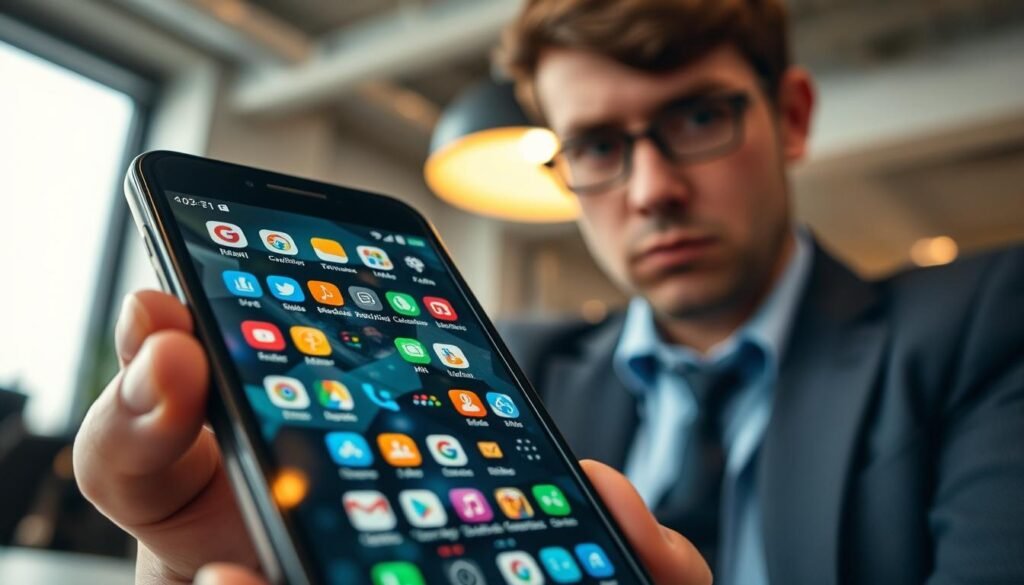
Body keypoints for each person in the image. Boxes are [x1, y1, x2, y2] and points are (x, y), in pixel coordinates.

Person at [72, 1, 1024, 585]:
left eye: (698, 116)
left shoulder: (985, 320)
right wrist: (231, 537)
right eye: (598, 146)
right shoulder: (503, 367)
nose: (651, 190)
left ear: (793, 116)